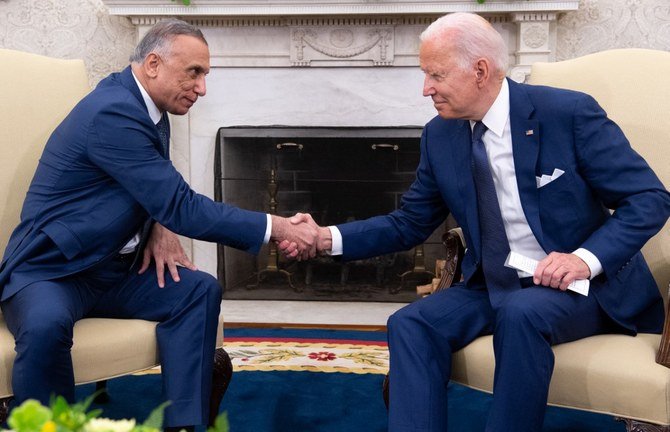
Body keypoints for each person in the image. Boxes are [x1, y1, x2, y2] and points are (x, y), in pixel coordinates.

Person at [281, 12, 670, 432]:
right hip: (494, 284)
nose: (425, 88)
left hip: (585, 287)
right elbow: (409, 223)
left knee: (522, 313)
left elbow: (648, 198)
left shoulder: (568, 113)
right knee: (411, 323)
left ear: (480, 70)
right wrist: (325, 238)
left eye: (436, 75)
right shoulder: (440, 135)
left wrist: (584, 259)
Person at [0, 19, 316, 430]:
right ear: (153, 64)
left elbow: (146, 186)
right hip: (52, 270)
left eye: (205, 75)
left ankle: (183, 423)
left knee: (198, 290)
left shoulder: (148, 106)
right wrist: (280, 227)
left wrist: (158, 225)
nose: (202, 88)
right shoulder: (113, 111)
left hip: (112, 269)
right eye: (194, 73)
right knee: (45, 327)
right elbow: (180, 203)